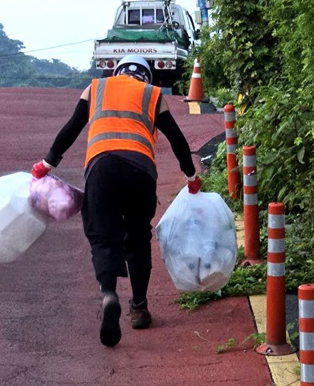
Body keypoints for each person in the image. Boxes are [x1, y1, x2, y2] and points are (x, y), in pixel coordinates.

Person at [31, 55, 202, 347]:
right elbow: (176, 139)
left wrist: (46, 166)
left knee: (103, 236)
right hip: (140, 170)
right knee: (137, 237)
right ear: (146, 76)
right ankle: (139, 306)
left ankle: (109, 293)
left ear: (118, 72)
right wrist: (191, 176)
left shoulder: (96, 88)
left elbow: (71, 128)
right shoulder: (152, 94)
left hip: (101, 168)